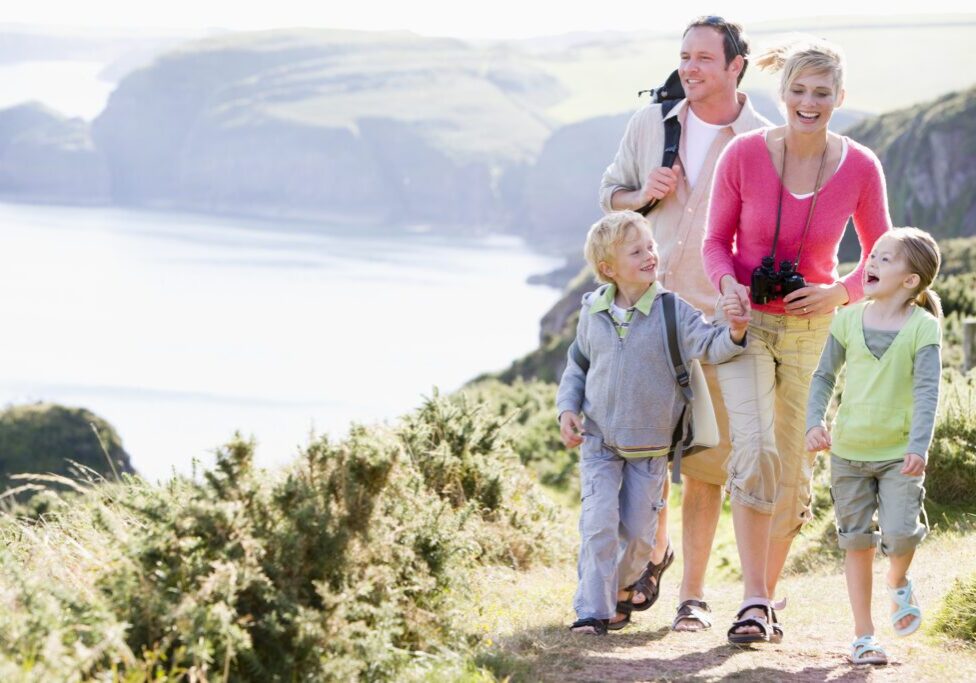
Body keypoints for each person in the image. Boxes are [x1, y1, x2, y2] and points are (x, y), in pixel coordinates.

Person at [702, 36, 892, 643]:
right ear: (780, 92)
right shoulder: (744, 156)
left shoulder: (861, 166)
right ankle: (754, 601)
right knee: (754, 451)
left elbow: (882, 257)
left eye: (822, 93)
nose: (808, 103)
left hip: (816, 329)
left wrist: (838, 291)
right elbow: (715, 245)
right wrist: (729, 286)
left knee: (792, 468)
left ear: (840, 97)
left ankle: (766, 597)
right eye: (798, 91)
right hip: (747, 324)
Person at [599, 15, 771, 632]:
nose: (689, 68)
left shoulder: (762, 141)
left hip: (713, 322)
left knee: (703, 463)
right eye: (684, 57)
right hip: (643, 315)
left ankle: (691, 599)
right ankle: (650, 556)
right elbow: (610, 197)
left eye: (703, 58)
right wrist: (642, 192)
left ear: (735, 66)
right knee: (643, 453)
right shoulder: (651, 123)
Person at [556, 211, 750, 635]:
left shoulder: (672, 311)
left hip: (650, 450)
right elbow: (577, 365)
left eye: (650, 246)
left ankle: (623, 590)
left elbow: (709, 344)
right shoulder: (594, 310)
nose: (650, 254)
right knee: (598, 524)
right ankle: (592, 610)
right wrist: (567, 409)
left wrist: (734, 332)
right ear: (608, 269)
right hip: (600, 442)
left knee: (640, 539)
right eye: (637, 250)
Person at [806, 228, 942, 665]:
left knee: (901, 535)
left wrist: (919, 445)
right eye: (873, 256)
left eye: (886, 259)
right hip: (848, 452)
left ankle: (898, 582)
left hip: (901, 454)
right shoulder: (846, 318)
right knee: (856, 543)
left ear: (911, 281)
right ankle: (864, 635)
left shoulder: (924, 328)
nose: (873, 264)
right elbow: (824, 375)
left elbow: (927, 392)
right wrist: (815, 421)